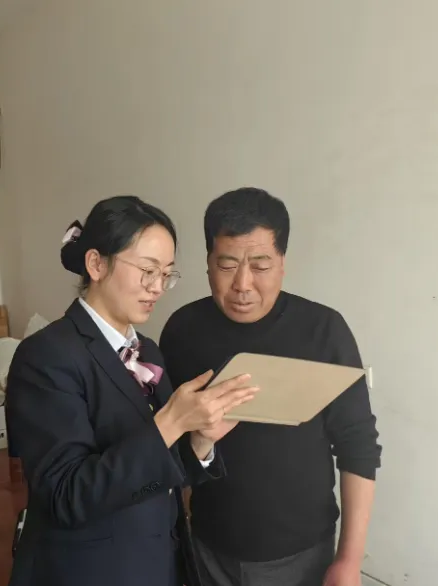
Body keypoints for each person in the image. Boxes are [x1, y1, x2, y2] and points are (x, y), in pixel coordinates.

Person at [6, 195, 259, 586]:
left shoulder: (147, 352)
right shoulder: (47, 356)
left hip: (157, 562)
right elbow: (66, 497)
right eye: (147, 270)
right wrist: (170, 422)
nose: (157, 287)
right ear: (96, 264)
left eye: (166, 274)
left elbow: (160, 473)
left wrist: (200, 442)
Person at [159, 187, 382, 586]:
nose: (242, 284)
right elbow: (173, 445)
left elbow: (358, 446)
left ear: (282, 263)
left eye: (260, 266)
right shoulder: (182, 330)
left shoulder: (323, 331)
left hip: (301, 555)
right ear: (208, 262)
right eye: (227, 265)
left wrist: (349, 560)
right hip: (208, 545)